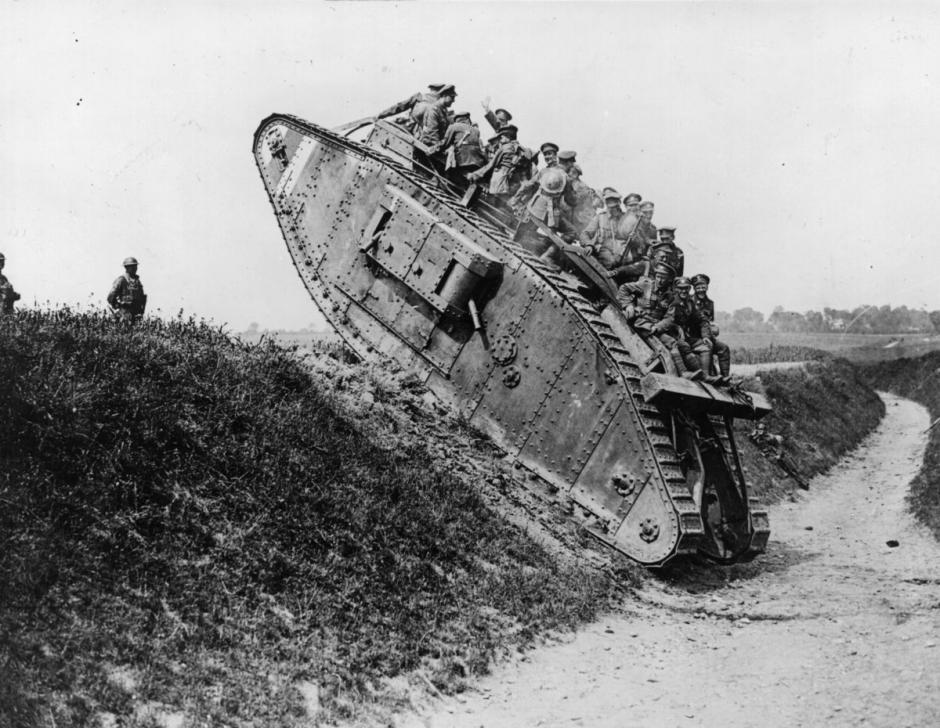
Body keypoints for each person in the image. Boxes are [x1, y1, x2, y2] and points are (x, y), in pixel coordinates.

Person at [617, 263, 702, 380]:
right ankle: (683, 373)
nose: (660, 280)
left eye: (663, 278)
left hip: (655, 326)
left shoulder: (670, 296)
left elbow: (670, 318)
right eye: (658, 276)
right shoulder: (645, 286)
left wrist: (658, 327)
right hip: (641, 324)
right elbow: (624, 288)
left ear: (668, 280)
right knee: (671, 342)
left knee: (683, 345)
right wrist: (628, 305)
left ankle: (701, 375)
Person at [581, 188, 643, 282]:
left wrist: (634, 239)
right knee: (610, 262)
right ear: (606, 205)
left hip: (623, 254)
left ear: (619, 204)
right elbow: (585, 233)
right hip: (603, 252)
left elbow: (638, 243)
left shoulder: (627, 219)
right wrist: (588, 244)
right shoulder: (600, 217)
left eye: (615, 207)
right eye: (610, 207)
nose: (612, 210)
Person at [466, 124, 532, 206]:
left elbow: (491, 165)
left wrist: (475, 174)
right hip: (508, 182)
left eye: (502, 136)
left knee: (488, 202)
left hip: (498, 179)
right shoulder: (516, 148)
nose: (500, 139)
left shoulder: (504, 147)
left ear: (508, 136)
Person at [671, 276, 715, 382]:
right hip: (672, 336)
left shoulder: (689, 303)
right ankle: (691, 374)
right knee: (683, 346)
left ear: (690, 289)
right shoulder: (671, 301)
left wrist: (705, 336)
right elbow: (665, 319)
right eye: (681, 288)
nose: (683, 291)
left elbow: (702, 320)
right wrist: (676, 328)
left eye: (686, 288)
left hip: (685, 337)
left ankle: (706, 376)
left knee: (705, 346)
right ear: (676, 289)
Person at [691, 273, 732, 382]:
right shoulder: (690, 301)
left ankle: (725, 378)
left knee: (724, 348)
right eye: (698, 287)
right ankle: (707, 377)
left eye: (703, 286)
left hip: (707, 335)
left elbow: (709, 321)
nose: (701, 290)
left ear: (707, 287)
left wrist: (713, 329)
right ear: (694, 288)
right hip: (693, 336)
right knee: (708, 346)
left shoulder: (710, 303)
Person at [749, 423, 810, 489]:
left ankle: (804, 481)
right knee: (787, 471)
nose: (760, 431)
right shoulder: (757, 438)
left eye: (761, 430)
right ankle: (799, 483)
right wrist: (751, 435)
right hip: (771, 456)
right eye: (758, 430)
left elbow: (779, 446)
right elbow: (751, 440)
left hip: (779, 455)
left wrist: (779, 454)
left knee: (792, 468)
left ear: (764, 430)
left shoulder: (770, 437)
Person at [441, 111, 487, 187]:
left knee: (448, 170)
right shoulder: (476, 130)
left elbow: (445, 143)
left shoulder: (454, 126)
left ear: (456, 120)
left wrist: (433, 149)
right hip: (478, 162)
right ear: (468, 120)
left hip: (462, 160)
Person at [376, 83, 446, 130]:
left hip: (406, 128)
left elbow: (399, 107)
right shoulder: (442, 108)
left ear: (431, 89)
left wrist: (380, 115)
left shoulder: (419, 97)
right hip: (421, 138)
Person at [107, 257, 147, 322]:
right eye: (132, 266)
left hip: (136, 314)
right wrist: (118, 308)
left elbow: (141, 297)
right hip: (124, 313)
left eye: (135, 266)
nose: (135, 268)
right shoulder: (121, 280)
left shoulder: (137, 282)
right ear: (126, 267)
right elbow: (110, 297)